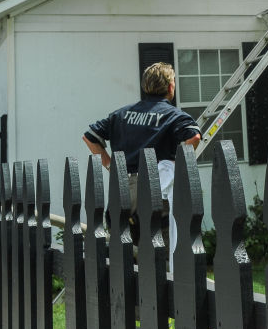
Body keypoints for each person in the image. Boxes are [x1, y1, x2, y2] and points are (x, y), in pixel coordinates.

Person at [82, 62, 201, 246]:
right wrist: (177, 166)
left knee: (124, 252)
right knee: (160, 248)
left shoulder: (120, 115)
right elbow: (194, 137)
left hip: (123, 187)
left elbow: (89, 137)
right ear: (170, 87)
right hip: (156, 188)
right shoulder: (174, 115)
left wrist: (111, 166)